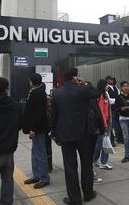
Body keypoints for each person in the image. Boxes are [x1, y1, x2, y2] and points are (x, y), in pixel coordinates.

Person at [50, 68, 100, 205]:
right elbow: (96, 93)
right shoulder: (82, 89)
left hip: (65, 135)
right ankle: (88, 194)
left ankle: (75, 199)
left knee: (70, 168)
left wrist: (54, 133)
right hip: (84, 134)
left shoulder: (57, 92)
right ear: (75, 77)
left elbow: (54, 115)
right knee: (86, 165)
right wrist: (85, 83)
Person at [22, 74, 50, 189]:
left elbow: (38, 114)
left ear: (32, 82)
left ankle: (44, 178)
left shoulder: (37, 93)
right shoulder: (36, 91)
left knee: (40, 153)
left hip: (38, 128)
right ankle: (36, 175)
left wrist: (33, 129)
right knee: (35, 153)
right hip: (36, 128)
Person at [93, 79, 113, 170]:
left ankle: (95, 160)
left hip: (106, 123)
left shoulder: (105, 95)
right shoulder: (100, 96)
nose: (107, 86)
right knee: (104, 144)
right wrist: (104, 125)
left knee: (100, 144)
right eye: (106, 85)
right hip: (102, 124)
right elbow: (100, 111)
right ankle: (103, 162)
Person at [105, 75, 123, 145]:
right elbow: (108, 99)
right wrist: (116, 100)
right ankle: (112, 141)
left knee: (118, 123)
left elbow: (119, 96)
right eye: (110, 79)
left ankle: (120, 138)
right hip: (110, 109)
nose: (112, 80)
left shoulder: (116, 88)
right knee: (112, 124)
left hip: (117, 108)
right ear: (107, 80)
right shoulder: (106, 88)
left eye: (112, 79)